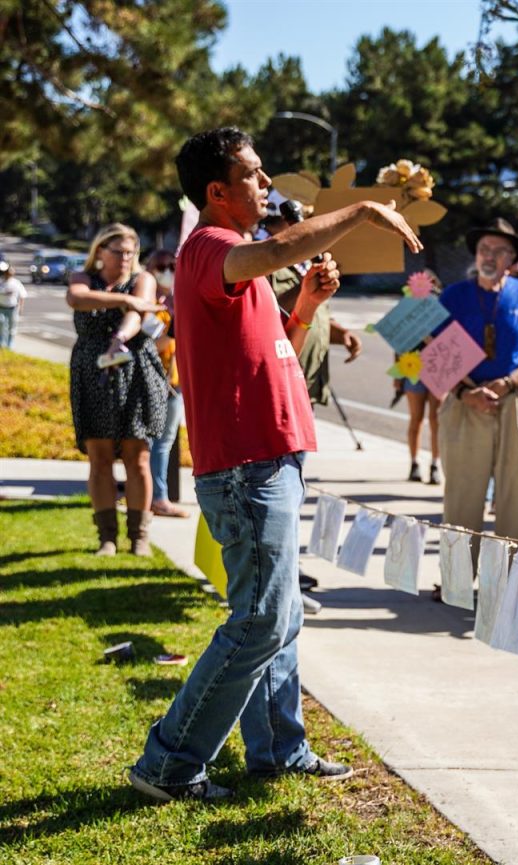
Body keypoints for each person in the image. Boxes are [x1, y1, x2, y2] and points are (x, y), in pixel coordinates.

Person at [131, 126, 421, 801]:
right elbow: (281, 245)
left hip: (270, 455)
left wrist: (306, 308)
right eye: (256, 175)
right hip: (246, 464)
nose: (267, 185)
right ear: (217, 191)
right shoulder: (211, 246)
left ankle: (277, 749)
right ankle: (168, 761)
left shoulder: (236, 263)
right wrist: (361, 211)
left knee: (279, 614)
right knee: (261, 617)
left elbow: (270, 349)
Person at [436, 218, 518, 547]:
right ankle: (456, 584)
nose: (489, 256)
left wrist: (509, 383)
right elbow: (433, 351)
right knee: (461, 497)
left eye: (499, 251)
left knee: (517, 498)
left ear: (512, 260)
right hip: (464, 402)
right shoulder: (454, 296)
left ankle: (510, 589)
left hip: (515, 401)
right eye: (484, 249)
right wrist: (464, 392)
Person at [66, 223, 168, 557]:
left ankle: (139, 536)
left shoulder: (143, 279)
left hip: (133, 367)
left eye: (131, 252)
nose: (126, 258)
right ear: (100, 252)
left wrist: (120, 337)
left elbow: (138, 316)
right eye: (118, 252)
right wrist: (123, 299)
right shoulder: (83, 278)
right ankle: (106, 538)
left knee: (138, 454)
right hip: (92, 371)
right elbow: (77, 298)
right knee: (100, 456)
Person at [264, 201, 363, 408]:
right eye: (301, 219)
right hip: (280, 378)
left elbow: (318, 316)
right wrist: (306, 289)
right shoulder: (263, 259)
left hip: (307, 380)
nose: (309, 226)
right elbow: (268, 310)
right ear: (283, 221)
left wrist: (341, 333)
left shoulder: (309, 258)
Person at [144, 249, 189, 519]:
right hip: (154, 381)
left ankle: (152, 495)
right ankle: (156, 497)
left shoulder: (172, 303)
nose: (168, 272)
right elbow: (155, 341)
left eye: (173, 267)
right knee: (156, 443)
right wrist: (175, 323)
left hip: (175, 382)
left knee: (163, 441)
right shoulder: (147, 304)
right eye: (162, 267)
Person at [397, 269, 443, 484]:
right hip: (412, 367)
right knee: (416, 419)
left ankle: (435, 464)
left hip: (437, 369)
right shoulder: (409, 309)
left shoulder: (442, 308)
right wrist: (397, 373)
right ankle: (414, 463)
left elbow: (451, 340)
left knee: (437, 420)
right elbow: (400, 341)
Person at [0, 259, 25, 349]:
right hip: (1, 307)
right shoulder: (1, 282)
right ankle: (1, 343)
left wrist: (21, 307)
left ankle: (9, 344)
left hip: (12, 308)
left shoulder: (16, 283)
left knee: (12, 327)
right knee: (1, 325)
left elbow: (22, 295)